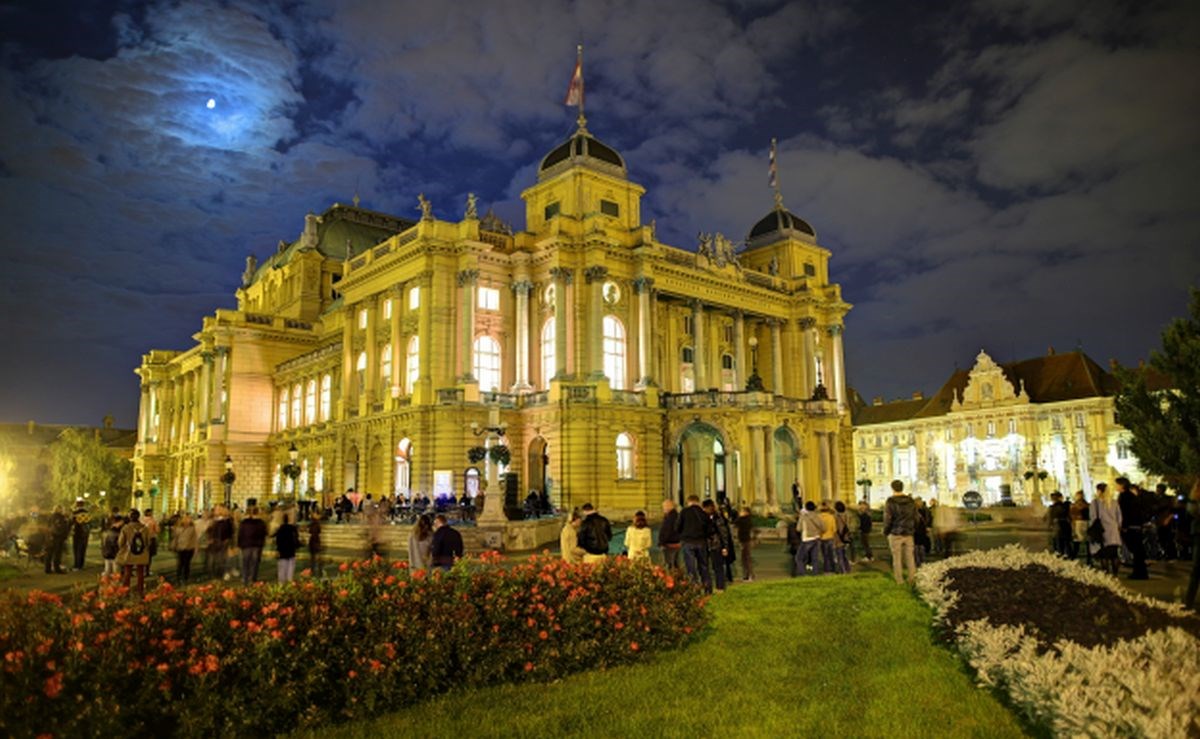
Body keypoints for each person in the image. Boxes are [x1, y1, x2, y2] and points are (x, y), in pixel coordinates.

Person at [883, 480, 917, 585]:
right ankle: (912, 578)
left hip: (895, 532)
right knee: (910, 557)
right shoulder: (910, 501)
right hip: (908, 532)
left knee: (896, 558)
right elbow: (916, 517)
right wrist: (913, 528)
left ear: (892, 488)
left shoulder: (890, 501)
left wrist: (886, 531)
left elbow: (887, 518)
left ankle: (899, 580)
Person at [1116, 477, 1148, 579]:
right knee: (1137, 550)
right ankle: (1141, 571)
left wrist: (1124, 526)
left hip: (1130, 526)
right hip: (1136, 525)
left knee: (1135, 549)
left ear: (1122, 485)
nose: (1115, 486)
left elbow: (1125, 512)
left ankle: (1139, 572)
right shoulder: (1131, 496)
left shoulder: (1124, 497)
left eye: (1117, 484)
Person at [1090, 482, 1123, 576]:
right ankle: (1115, 574)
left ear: (1099, 491)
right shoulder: (1114, 502)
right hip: (1113, 531)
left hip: (1102, 531)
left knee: (1104, 555)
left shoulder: (1095, 502)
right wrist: (1118, 527)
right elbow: (1119, 517)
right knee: (1114, 554)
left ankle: (1106, 574)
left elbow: (1093, 517)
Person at [117, 509, 150, 594]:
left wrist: (123, 548)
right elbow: (148, 542)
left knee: (127, 572)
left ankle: (125, 590)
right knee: (140, 572)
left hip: (129, 553)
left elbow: (120, 542)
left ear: (130, 517)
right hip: (141, 553)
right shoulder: (145, 528)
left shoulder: (126, 528)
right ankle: (140, 590)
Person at [701, 500, 731, 590]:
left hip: (716, 545)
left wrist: (725, 547)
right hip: (707, 544)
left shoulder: (717, 518)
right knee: (708, 567)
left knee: (718, 567)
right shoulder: (705, 517)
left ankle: (720, 586)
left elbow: (723, 533)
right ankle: (709, 587)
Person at [237, 507, 268, 585]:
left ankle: (245, 578)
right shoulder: (261, 523)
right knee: (254, 563)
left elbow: (240, 534)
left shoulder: (244, 523)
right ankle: (252, 578)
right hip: (256, 545)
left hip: (246, 545)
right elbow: (264, 533)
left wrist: (239, 544)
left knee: (245, 562)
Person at [795, 501, 825, 576]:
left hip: (807, 539)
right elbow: (824, 528)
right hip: (816, 538)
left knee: (799, 558)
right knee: (815, 558)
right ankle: (815, 573)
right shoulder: (817, 516)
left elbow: (798, 528)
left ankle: (802, 573)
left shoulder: (803, 517)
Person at [1184, 482, 1200, 610]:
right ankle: (1188, 602)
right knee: (1196, 569)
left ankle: (1189, 602)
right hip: (1198, 533)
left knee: (1196, 570)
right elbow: (1191, 511)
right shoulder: (1194, 500)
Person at [170, 512, 198, 584]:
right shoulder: (178, 528)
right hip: (180, 548)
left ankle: (185, 578)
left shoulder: (192, 528)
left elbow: (194, 539)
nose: (186, 520)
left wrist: (195, 548)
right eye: (184, 519)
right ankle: (178, 577)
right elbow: (175, 538)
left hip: (189, 549)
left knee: (186, 564)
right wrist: (174, 545)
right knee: (180, 563)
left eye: (188, 519)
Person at [208, 506, 233, 580]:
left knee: (221, 559)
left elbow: (230, 531)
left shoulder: (227, 521)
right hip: (214, 542)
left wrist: (227, 540)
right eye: (217, 510)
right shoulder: (213, 521)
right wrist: (210, 538)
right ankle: (213, 575)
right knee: (212, 560)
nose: (218, 511)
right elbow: (210, 530)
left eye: (219, 510)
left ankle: (220, 574)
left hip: (223, 542)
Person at [273, 514, 300, 583]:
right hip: (291, 550)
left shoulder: (280, 529)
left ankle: (281, 583)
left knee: (282, 569)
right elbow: (296, 539)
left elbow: (277, 540)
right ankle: (289, 582)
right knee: (290, 569)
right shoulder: (292, 529)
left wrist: (278, 550)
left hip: (282, 551)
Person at [44, 505, 69, 574]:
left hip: (50, 537)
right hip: (58, 537)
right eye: (61, 509)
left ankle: (47, 569)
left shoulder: (50, 517)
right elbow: (63, 527)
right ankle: (57, 568)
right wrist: (64, 535)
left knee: (49, 553)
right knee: (57, 554)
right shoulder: (61, 517)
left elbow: (48, 526)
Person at [658, 499, 682, 570]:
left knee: (669, 565)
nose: (663, 508)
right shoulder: (675, 516)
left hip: (669, 544)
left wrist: (662, 542)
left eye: (664, 506)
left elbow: (667, 531)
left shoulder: (670, 517)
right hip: (675, 543)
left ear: (670, 506)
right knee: (674, 563)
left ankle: (672, 576)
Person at [1048, 492, 1072, 558]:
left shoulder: (1053, 507)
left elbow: (1050, 517)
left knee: (1058, 540)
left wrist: (1050, 524)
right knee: (1065, 540)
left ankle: (1059, 552)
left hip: (1058, 525)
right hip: (1065, 524)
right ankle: (1066, 553)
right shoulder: (1065, 505)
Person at [734, 506, 755, 581]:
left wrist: (740, 517)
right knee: (744, 559)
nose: (741, 513)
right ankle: (746, 574)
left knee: (746, 558)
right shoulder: (746, 519)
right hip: (744, 540)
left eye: (742, 511)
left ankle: (750, 575)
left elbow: (736, 522)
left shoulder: (745, 520)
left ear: (746, 512)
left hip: (745, 540)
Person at [817, 501, 838, 574]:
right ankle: (833, 569)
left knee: (825, 555)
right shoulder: (831, 517)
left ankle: (826, 569)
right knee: (831, 554)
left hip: (821, 538)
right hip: (830, 537)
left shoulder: (818, 517)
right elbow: (834, 529)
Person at [70, 498, 91, 570]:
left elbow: (71, 522)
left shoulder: (75, 512)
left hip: (77, 532)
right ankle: (81, 564)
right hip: (85, 533)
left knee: (76, 549)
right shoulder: (87, 512)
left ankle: (77, 565)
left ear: (77, 504)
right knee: (83, 549)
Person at [1069, 490, 1090, 562]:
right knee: (1087, 542)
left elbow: (1072, 515)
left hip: (1078, 523)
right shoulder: (1087, 505)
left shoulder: (1075, 505)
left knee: (1077, 541)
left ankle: (1073, 557)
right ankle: (1089, 559)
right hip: (1086, 523)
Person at [833, 501, 852, 573]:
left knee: (839, 555)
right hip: (846, 537)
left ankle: (843, 571)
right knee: (844, 555)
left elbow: (835, 528)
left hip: (838, 538)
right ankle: (848, 569)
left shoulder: (836, 517)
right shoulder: (847, 515)